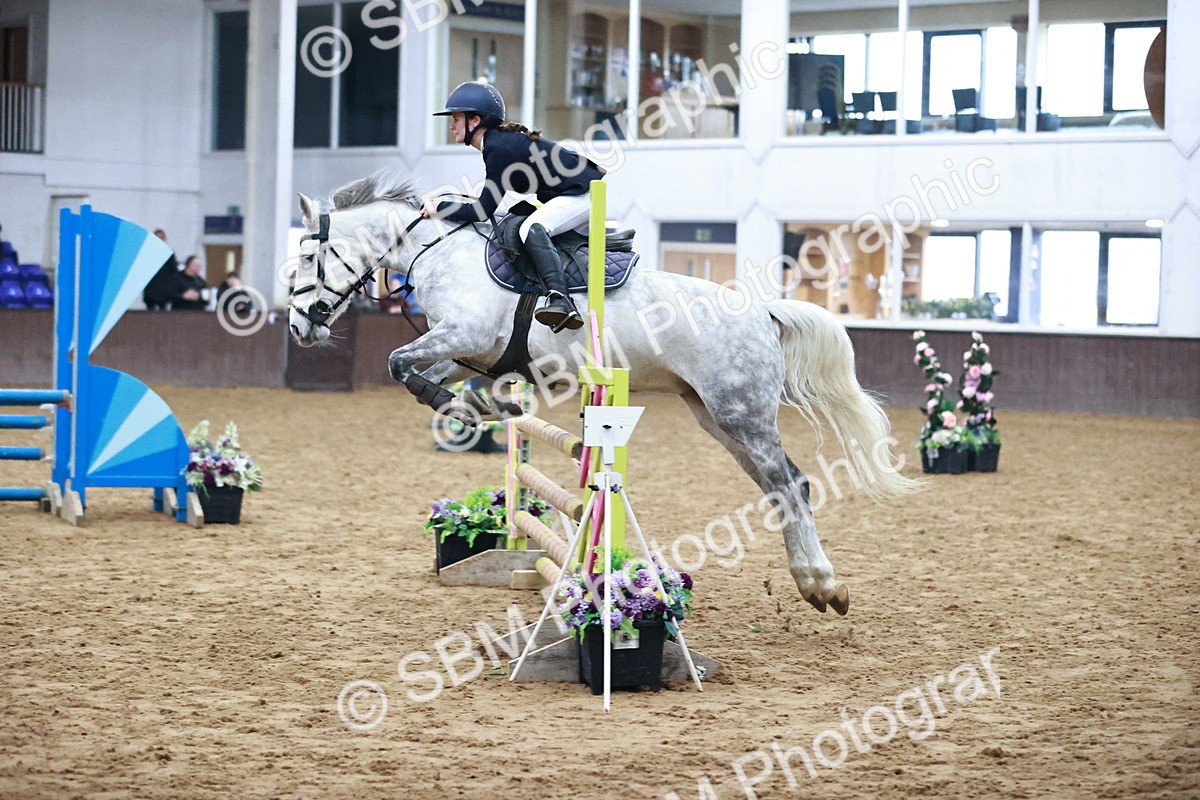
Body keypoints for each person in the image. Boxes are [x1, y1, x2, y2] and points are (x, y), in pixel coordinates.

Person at [422, 81, 605, 332]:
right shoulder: (497, 143)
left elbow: (481, 211)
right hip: (570, 192)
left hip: (583, 194)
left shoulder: (498, 148)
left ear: (475, 121)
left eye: (456, 118)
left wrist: (439, 207)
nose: (452, 125)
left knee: (531, 228)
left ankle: (561, 301)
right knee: (514, 217)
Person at [143, 229, 179, 310]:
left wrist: (171, 287)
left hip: (163, 288)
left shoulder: (168, 253)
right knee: (150, 310)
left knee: (162, 310)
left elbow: (173, 271)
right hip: (150, 287)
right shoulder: (147, 253)